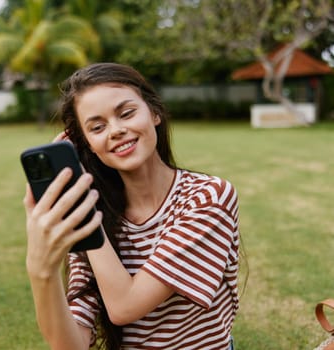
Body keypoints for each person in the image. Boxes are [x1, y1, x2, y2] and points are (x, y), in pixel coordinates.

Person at [23, 63, 241, 349]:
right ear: (86, 144)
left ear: (154, 113)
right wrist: (42, 272)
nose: (116, 131)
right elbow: (72, 346)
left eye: (126, 113)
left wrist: (84, 216)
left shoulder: (208, 198)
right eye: (97, 127)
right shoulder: (96, 217)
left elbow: (124, 307)